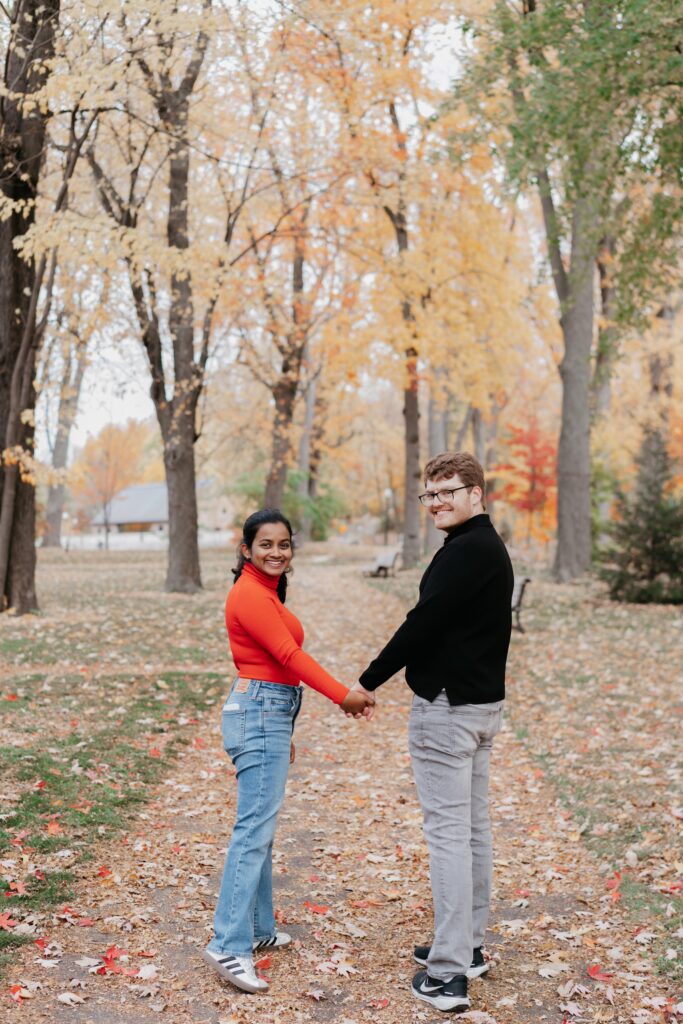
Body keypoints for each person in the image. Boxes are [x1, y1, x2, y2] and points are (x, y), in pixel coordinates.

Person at [351, 452, 513, 1013]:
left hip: (448, 712)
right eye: (430, 494)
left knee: (450, 835)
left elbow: (421, 624)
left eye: (449, 490)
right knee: (470, 831)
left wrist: (368, 681)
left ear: (477, 493)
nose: (438, 502)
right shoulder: (483, 547)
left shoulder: (466, 552)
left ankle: (447, 976)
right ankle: (465, 948)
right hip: (480, 708)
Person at [203, 509, 374, 995]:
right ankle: (228, 944)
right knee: (252, 831)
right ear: (246, 550)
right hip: (258, 713)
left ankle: (257, 930)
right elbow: (287, 657)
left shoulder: (265, 592)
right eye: (265, 544)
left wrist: (283, 729)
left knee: (261, 829)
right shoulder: (248, 594)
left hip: (267, 714)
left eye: (284, 544)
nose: (276, 552)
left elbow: (274, 669)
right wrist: (343, 695)